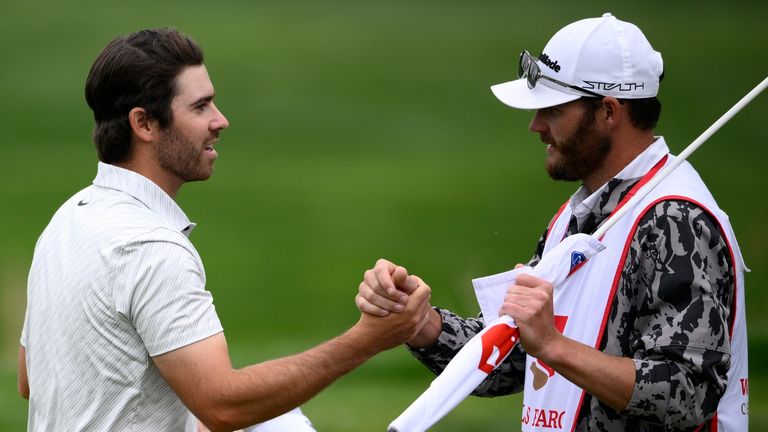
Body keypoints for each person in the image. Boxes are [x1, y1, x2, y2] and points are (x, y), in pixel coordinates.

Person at [18, 28, 432, 431]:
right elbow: (223, 406)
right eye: (200, 107)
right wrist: (368, 339)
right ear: (144, 124)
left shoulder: (69, 218)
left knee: (271, 420)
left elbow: (31, 379)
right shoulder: (151, 247)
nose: (221, 120)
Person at [356, 13, 748, 431]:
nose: (536, 125)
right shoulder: (580, 212)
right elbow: (522, 357)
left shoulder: (676, 220)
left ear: (609, 112)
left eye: (554, 110)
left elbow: (687, 392)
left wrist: (554, 345)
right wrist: (422, 325)